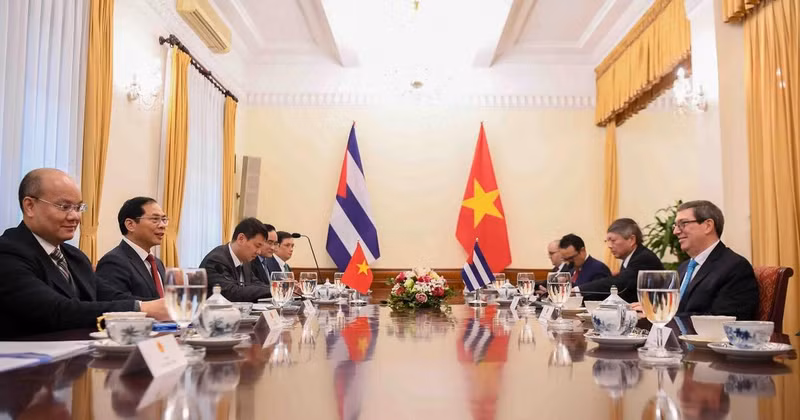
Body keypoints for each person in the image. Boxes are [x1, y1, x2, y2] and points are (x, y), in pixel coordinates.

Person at [0, 169, 168, 339]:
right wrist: (142, 308)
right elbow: (55, 310)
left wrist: (162, 306)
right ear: (30, 206)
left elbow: (109, 295)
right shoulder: (8, 252)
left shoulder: (75, 256)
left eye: (78, 207)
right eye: (64, 207)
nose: (75, 216)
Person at [672, 200, 758, 320]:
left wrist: (667, 317)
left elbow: (726, 318)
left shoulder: (735, 267)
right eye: (675, 225)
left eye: (683, 223)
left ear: (708, 226)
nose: (675, 231)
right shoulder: (683, 268)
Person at [575, 218, 664, 302]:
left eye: (613, 240)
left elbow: (620, 283)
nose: (609, 246)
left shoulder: (644, 258)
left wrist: (578, 291)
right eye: (607, 241)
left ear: (631, 240)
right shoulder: (629, 258)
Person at [95, 197, 167, 300]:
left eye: (164, 220)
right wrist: (166, 306)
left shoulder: (157, 263)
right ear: (130, 225)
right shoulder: (113, 262)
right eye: (155, 219)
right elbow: (117, 305)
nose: (162, 225)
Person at [199, 217, 271, 302]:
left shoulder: (245, 262)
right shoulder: (216, 260)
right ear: (241, 239)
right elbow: (231, 293)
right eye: (257, 246)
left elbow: (257, 284)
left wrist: (278, 289)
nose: (259, 252)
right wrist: (272, 291)